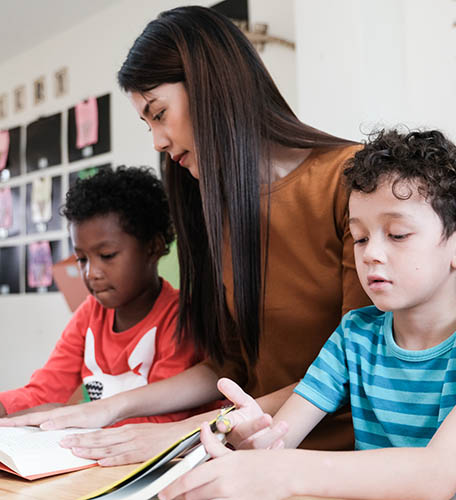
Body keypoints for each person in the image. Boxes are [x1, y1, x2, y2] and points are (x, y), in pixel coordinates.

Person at [0, 6, 369, 465]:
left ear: (212, 87)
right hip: (246, 458)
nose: (156, 141)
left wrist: (184, 432)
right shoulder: (217, 206)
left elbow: (360, 368)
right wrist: (104, 410)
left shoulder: (352, 181)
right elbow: (229, 366)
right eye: (147, 123)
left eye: (159, 114)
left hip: (345, 462)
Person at [159, 129, 456, 500]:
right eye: (361, 237)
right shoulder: (355, 335)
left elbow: (436, 475)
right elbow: (283, 437)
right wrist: (257, 441)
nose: (371, 254)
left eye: (398, 234)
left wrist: (281, 470)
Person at [0, 166, 203, 430]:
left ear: (153, 247)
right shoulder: (89, 314)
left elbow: (164, 418)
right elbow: (45, 391)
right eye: (82, 259)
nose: (91, 273)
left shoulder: (178, 319)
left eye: (107, 256)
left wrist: (76, 419)